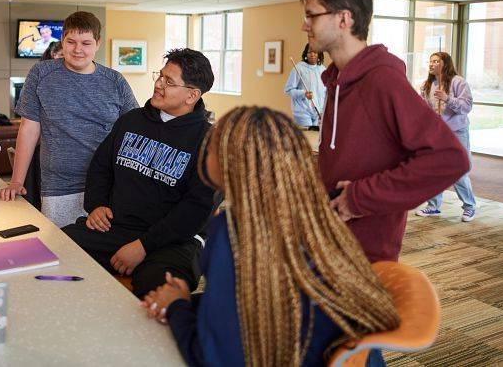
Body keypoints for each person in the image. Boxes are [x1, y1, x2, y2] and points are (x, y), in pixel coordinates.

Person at [142, 107, 400, 367]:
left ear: (227, 161)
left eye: (209, 148)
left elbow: (217, 359)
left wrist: (177, 308)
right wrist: (190, 302)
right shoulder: (319, 217)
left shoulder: (233, 232)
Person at [300, 0, 469, 262]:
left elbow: (449, 159)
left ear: (343, 19)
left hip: (364, 256)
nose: (304, 25)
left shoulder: (382, 80)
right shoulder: (337, 80)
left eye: (311, 15)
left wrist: (359, 198)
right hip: (329, 245)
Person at [62, 49, 217, 298]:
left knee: (160, 291)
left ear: (192, 95)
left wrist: (143, 246)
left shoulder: (210, 141)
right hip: (117, 227)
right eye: (160, 76)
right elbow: (101, 166)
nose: (158, 84)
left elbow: (196, 209)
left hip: (174, 241)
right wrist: (97, 204)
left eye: (169, 81)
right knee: (58, 249)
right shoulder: (131, 120)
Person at [0, 12, 139, 227]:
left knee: (99, 256)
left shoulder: (115, 81)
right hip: (58, 187)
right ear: (62, 40)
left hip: (106, 186)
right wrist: (17, 180)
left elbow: (133, 132)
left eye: (86, 43)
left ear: (97, 43)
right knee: (62, 250)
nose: (78, 49)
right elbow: (29, 129)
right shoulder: (41, 73)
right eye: (71, 42)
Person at [416, 52, 477, 221]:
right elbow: (425, 109)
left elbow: (466, 106)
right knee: (433, 170)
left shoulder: (459, 82)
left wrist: (447, 98)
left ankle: (469, 206)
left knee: (459, 170)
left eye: (436, 61)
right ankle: (433, 206)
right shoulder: (427, 85)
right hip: (437, 134)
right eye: (430, 61)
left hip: (457, 132)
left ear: (445, 64)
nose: (431, 64)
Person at [284, 43, 326, 127]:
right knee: (307, 137)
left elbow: (325, 91)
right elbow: (288, 90)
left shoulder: (323, 69)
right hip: (302, 111)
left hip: (318, 112)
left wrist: (324, 109)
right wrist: (304, 94)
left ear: (319, 54)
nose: (312, 54)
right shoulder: (299, 68)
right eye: (309, 52)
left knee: (315, 138)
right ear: (306, 54)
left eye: (315, 52)